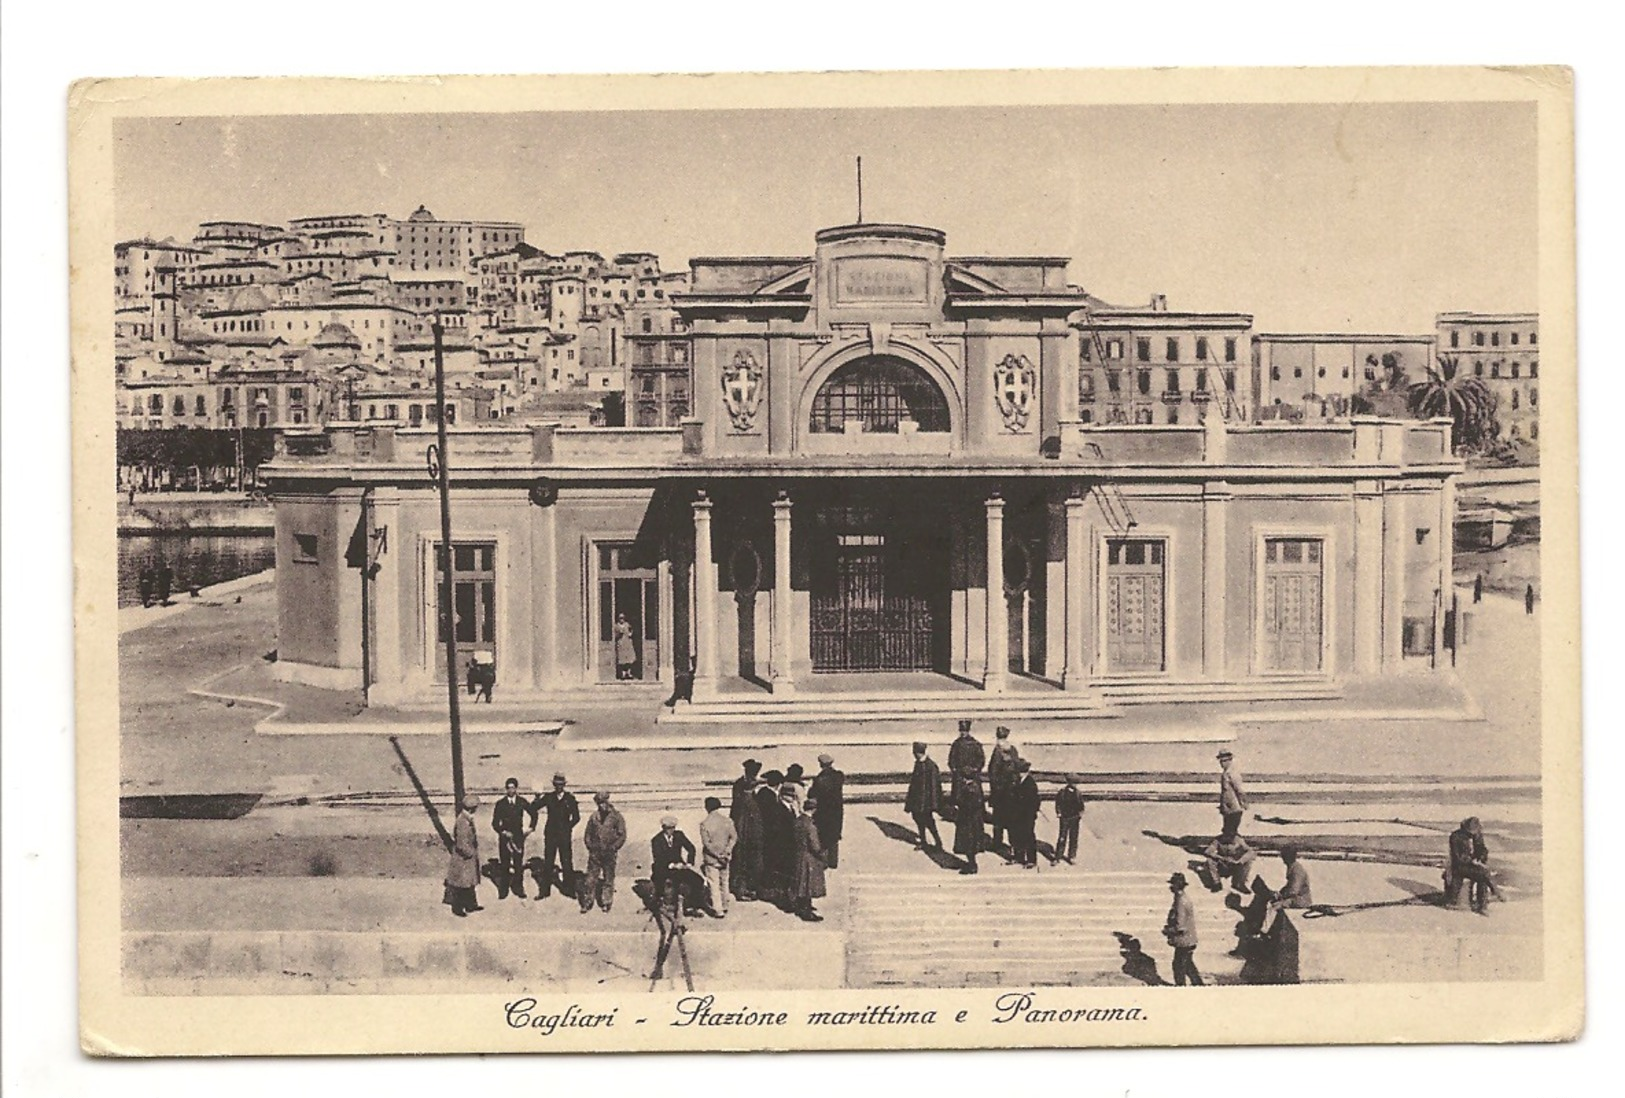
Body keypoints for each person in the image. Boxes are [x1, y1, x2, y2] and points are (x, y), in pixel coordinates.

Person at [532, 773, 580, 899]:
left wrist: (567, 828)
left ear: (564, 785)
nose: (559, 787)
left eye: (561, 785)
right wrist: (537, 797)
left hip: (564, 836)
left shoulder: (570, 798)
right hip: (551, 835)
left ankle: (569, 889)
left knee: (567, 862)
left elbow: (576, 817)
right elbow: (534, 807)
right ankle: (545, 891)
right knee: (548, 863)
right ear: (553, 785)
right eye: (556, 785)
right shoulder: (549, 797)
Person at [580, 790, 626, 914]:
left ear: (607, 802)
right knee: (590, 879)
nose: (601, 806)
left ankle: (606, 902)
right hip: (595, 853)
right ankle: (587, 903)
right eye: (599, 803)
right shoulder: (594, 817)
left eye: (603, 802)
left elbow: (622, 835)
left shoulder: (616, 816)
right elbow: (587, 834)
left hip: (609, 852)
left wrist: (614, 847)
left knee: (608, 878)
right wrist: (590, 846)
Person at [1448, 816, 1504, 915]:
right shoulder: (1455, 836)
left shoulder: (1477, 834)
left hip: (1474, 865)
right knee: (1484, 873)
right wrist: (1471, 861)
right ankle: (1495, 893)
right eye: (1470, 832)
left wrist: (1481, 857)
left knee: (1482, 877)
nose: (1472, 834)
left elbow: (1482, 849)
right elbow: (1457, 857)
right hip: (1461, 867)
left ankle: (1482, 906)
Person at [490, 778, 532, 899]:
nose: (511, 790)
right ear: (506, 789)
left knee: (518, 864)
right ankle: (503, 889)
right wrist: (502, 832)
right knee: (505, 864)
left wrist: (530, 828)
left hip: (518, 837)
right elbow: (494, 823)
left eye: (513, 787)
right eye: (508, 788)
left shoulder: (521, 802)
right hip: (505, 838)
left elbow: (533, 813)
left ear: (516, 788)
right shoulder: (500, 804)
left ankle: (518, 888)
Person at [443, 795, 484, 917]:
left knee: (469, 883)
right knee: (461, 884)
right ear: (472, 808)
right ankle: (457, 907)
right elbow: (461, 844)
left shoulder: (466, 818)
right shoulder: (463, 821)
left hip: (467, 858)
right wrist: (470, 854)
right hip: (463, 858)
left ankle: (471, 905)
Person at [755, 770, 792, 907]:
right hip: (772, 836)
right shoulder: (769, 796)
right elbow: (773, 819)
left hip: (768, 835)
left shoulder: (764, 793)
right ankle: (770, 888)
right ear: (778, 784)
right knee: (772, 862)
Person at [790, 795, 829, 922]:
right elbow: (815, 845)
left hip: (798, 855)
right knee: (808, 885)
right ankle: (807, 912)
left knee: (801, 883)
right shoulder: (810, 825)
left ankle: (802, 906)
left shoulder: (798, 820)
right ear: (814, 810)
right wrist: (823, 855)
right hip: (809, 858)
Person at [729, 759, 764, 901]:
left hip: (744, 829)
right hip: (745, 831)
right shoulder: (745, 793)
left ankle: (745, 887)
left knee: (745, 860)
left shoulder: (742, 786)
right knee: (743, 860)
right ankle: (741, 889)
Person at [699, 795, 738, 917]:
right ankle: (725, 905)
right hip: (725, 858)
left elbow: (707, 844)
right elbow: (734, 838)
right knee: (725, 882)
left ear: (706, 808)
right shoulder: (728, 821)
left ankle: (718, 909)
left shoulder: (705, 824)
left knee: (713, 884)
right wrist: (727, 851)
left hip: (712, 858)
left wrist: (717, 855)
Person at [650, 815, 698, 913]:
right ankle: (661, 903)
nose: (671, 831)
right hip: (663, 867)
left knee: (697, 880)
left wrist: (689, 863)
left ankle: (691, 906)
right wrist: (672, 865)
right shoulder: (656, 840)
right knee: (662, 880)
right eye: (668, 828)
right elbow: (658, 859)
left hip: (679, 866)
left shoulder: (679, 835)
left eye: (673, 828)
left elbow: (691, 848)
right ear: (663, 828)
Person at [1163, 872, 1203, 986]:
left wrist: (1167, 931)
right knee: (1188, 965)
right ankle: (1199, 985)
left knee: (1178, 966)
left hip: (1184, 940)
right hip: (1189, 939)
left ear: (1177, 885)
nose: (1170, 887)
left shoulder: (1181, 901)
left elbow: (1180, 926)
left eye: (1172, 884)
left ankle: (1181, 989)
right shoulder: (1181, 898)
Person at [987, 726, 1021, 855]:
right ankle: (1013, 846)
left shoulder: (997, 752)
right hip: (1011, 793)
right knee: (1011, 820)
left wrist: (995, 791)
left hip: (1000, 794)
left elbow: (993, 772)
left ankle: (997, 843)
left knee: (998, 821)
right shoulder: (1013, 750)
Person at [808, 753, 845, 870]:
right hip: (836, 809)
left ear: (820, 764)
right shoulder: (839, 776)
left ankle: (824, 861)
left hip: (823, 810)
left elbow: (812, 793)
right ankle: (833, 861)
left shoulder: (819, 779)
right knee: (834, 834)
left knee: (823, 835)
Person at [904, 741, 943, 851]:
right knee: (917, 818)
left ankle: (938, 842)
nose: (914, 755)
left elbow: (935, 786)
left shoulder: (931, 766)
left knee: (929, 822)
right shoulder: (918, 763)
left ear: (918, 752)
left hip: (926, 802)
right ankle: (924, 841)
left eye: (915, 753)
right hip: (917, 800)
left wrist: (934, 804)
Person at [951, 764, 986, 875]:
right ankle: (971, 864)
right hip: (974, 821)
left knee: (968, 844)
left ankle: (972, 866)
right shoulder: (975, 787)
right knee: (971, 844)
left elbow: (966, 804)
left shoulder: (969, 789)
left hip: (968, 821)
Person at [1009, 759, 1041, 868]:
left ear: (1024, 772)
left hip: (1027, 816)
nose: (1017, 774)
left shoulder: (1030, 784)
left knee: (1028, 837)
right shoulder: (1019, 781)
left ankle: (1031, 860)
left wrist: (1031, 814)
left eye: (1018, 772)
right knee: (1017, 836)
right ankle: (1019, 857)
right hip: (1017, 815)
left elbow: (1034, 801)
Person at [1268, 846, 1313, 912]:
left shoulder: (1297, 870)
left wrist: (1280, 896)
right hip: (1295, 898)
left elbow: (1294, 890)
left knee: (1274, 907)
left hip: (1300, 900)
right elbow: (1289, 887)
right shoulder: (1293, 866)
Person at [1053, 774, 1085, 865]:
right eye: (1073, 783)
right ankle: (1058, 856)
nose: (1074, 785)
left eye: (1076, 783)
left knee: (1073, 838)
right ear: (1068, 783)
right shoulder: (1062, 792)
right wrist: (1058, 812)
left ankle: (1072, 856)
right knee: (1062, 838)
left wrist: (1080, 814)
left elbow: (1081, 805)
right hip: (1064, 818)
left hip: (1074, 818)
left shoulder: (1078, 793)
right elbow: (1058, 803)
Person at [1217, 749, 1248, 838]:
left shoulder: (1232, 773)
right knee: (1227, 830)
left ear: (1230, 760)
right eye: (1221, 761)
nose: (1221, 763)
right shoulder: (1225, 774)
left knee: (1231, 831)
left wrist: (1244, 803)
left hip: (1234, 808)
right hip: (1227, 808)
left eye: (1224, 761)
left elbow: (1239, 790)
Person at [614, 612, 638, 679]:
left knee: (629, 658)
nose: (622, 620)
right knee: (622, 659)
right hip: (621, 643)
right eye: (620, 618)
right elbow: (614, 635)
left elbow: (632, 630)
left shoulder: (627, 624)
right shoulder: (616, 626)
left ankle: (629, 672)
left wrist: (630, 634)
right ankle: (623, 673)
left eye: (623, 618)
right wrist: (618, 634)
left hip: (627, 643)